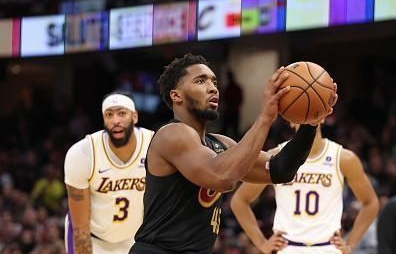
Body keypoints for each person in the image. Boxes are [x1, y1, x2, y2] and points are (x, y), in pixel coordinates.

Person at [130, 53, 337, 254]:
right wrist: (265, 118)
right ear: (176, 96)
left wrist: (311, 124)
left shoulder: (220, 144)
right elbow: (222, 177)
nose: (212, 88)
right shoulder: (172, 134)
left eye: (214, 82)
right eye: (201, 81)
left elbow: (279, 170)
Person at [231, 122, 379, 254]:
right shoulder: (276, 157)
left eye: (313, 111)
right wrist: (261, 243)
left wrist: (350, 243)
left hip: (327, 247)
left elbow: (371, 202)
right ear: (291, 119)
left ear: (323, 116)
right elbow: (239, 201)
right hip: (288, 247)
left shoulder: (343, 158)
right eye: (301, 113)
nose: (307, 117)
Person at [64, 91, 154, 254]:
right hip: (93, 238)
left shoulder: (154, 145)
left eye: (121, 113)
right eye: (109, 114)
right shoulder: (83, 152)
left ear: (134, 117)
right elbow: (80, 227)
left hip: (135, 238)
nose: (115, 120)